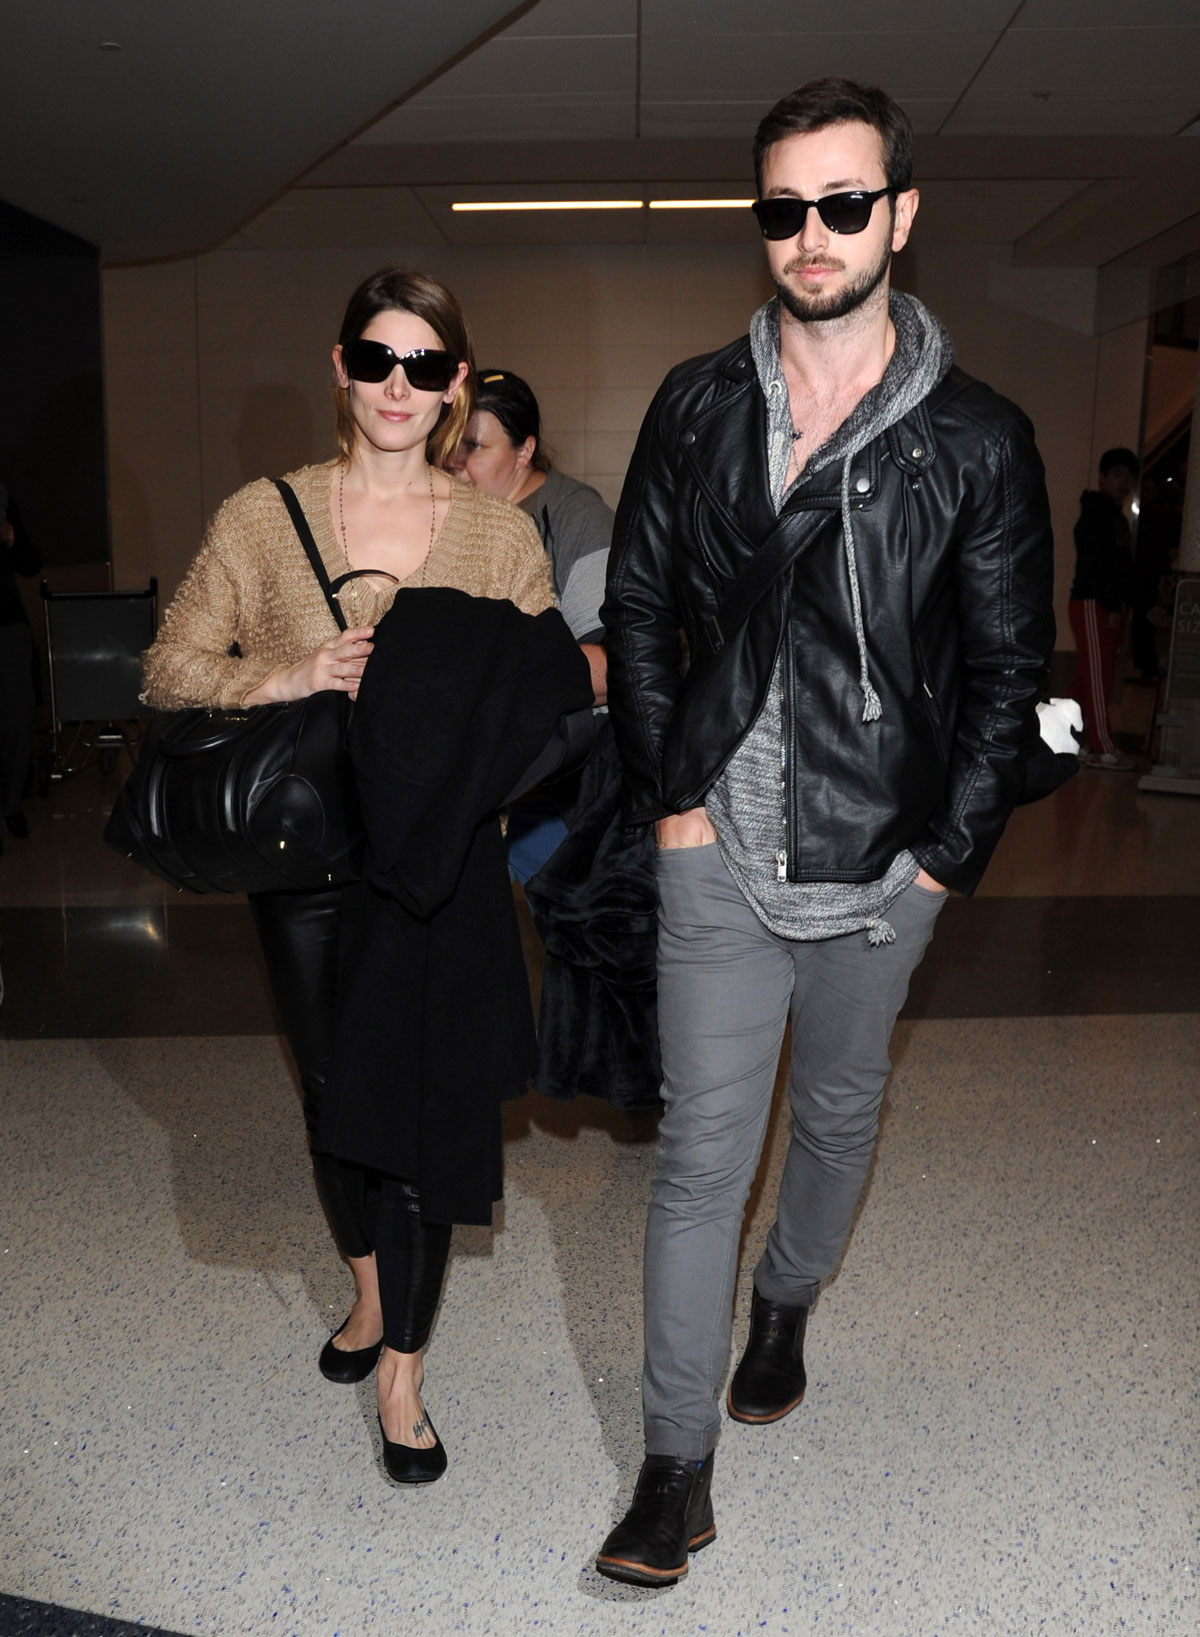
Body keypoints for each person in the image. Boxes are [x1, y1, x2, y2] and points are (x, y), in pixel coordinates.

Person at [596, 77, 1055, 1587]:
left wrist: (940, 859)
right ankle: (676, 1466)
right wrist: (672, 799)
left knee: (841, 1114)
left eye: (843, 203)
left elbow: (1007, 672)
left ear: (901, 216)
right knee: (701, 1158)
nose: (812, 235)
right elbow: (646, 610)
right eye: (784, 206)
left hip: (882, 864)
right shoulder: (696, 403)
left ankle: (785, 1302)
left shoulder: (980, 439)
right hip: (716, 845)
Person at [142, 266, 559, 1485]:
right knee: (335, 1096)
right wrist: (288, 674)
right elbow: (170, 665)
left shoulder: (496, 532)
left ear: (455, 384)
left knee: (427, 1109)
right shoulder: (262, 516)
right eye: (376, 360)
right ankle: (370, 1290)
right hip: (311, 858)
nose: (398, 387)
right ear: (341, 367)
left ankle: (403, 1375)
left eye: (426, 367)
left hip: (438, 867)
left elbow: (541, 701)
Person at [451, 367, 612, 882]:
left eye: (473, 447)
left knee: (576, 927)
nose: (456, 464)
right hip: (482, 766)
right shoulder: (450, 522)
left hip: (563, 775)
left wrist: (492, 687)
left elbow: (608, 667)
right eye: (449, 446)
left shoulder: (575, 517)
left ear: (524, 452)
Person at [1068, 446, 1138, 771]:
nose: (1124, 483)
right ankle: (1102, 746)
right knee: (1097, 677)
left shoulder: (1114, 516)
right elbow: (1097, 566)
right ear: (1103, 477)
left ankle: (1072, 741)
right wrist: (1111, 603)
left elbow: (1119, 568)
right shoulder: (1097, 515)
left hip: (1101, 603)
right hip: (1091, 603)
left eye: (1129, 477)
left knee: (1088, 677)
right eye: (1117, 475)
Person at [0, 484, 41, 847]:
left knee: (18, 718)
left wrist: (13, 539)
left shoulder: (4, 499)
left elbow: (31, 563)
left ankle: (11, 803)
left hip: (7, 623)